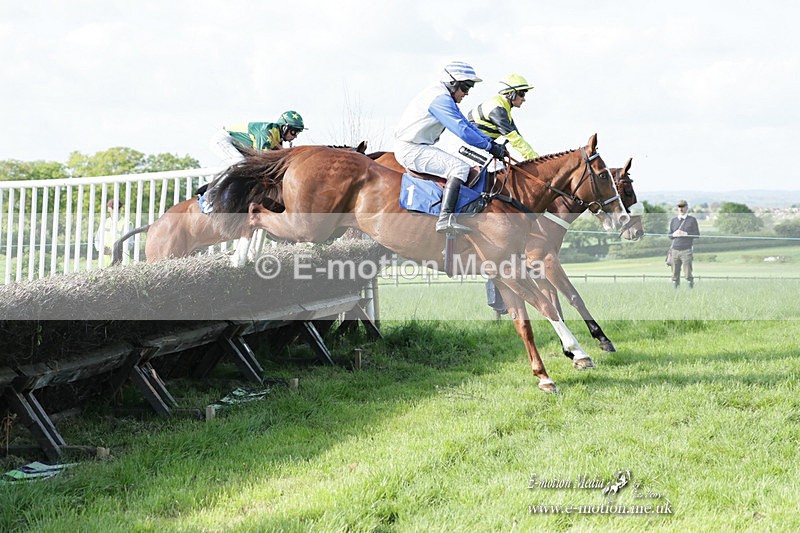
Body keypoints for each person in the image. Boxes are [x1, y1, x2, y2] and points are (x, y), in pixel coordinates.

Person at [394, 61, 507, 233]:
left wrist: (491, 143)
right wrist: (489, 147)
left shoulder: (443, 96)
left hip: (417, 146)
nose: (467, 93)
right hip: (411, 149)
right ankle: (445, 219)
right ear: (452, 82)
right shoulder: (440, 99)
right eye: (466, 87)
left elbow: (466, 125)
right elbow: (462, 130)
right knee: (459, 168)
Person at [202, 110, 306, 212]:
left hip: (238, 145)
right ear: (284, 127)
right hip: (223, 140)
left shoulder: (277, 137)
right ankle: (209, 196)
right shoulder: (265, 133)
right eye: (294, 132)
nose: (295, 136)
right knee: (241, 164)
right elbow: (262, 160)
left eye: (297, 133)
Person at [466, 73, 539, 160]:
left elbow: (518, 137)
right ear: (511, 93)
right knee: (497, 167)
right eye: (522, 94)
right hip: (469, 146)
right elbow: (514, 139)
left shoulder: (503, 108)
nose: (524, 99)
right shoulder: (497, 109)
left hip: (477, 145)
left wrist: (536, 158)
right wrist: (535, 160)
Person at [668, 199, 700, 288]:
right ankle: (675, 289)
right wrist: (673, 234)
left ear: (686, 208)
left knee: (688, 272)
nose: (681, 209)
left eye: (683, 206)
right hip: (675, 250)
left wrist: (686, 234)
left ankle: (690, 288)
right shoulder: (674, 220)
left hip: (686, 250)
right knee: (674, 273)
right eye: (679, 207)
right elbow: (669, 235)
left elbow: (697, 234)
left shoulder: (692, 220)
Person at [95, 199, 131, 267]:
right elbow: (97, 240)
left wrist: (112, 252)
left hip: (121, 264)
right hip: (104, 263)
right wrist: (101, 248)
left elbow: (129, 244)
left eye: (118, 208)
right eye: (113, 208)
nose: (116, 210)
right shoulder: (104, 222)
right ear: (109, 209)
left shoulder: (126, 224)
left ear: (121, 209)